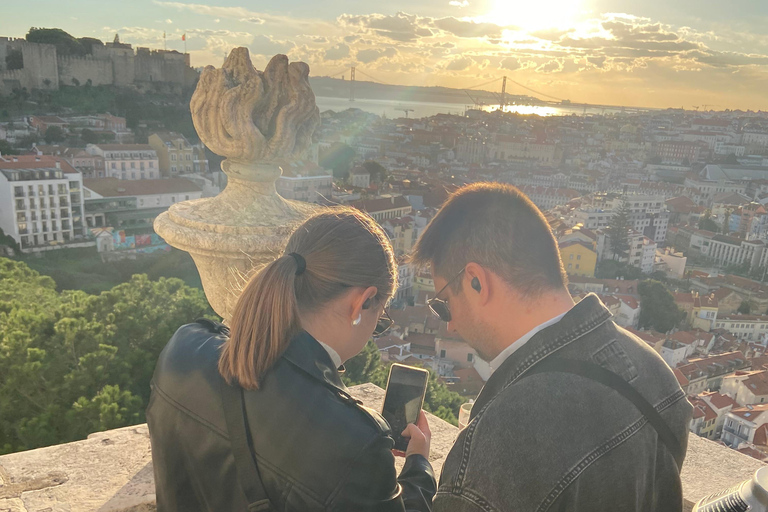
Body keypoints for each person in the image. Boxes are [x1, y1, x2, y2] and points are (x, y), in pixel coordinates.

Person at [410, 183, 692, 512]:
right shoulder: (654, 371)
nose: (450, 325)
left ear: (476, 281)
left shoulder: (501, 440)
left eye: (444, 304)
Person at [147, 208, 436, 512]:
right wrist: (419, 466)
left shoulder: (183, 347)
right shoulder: (355, 443)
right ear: (362, 303)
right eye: (380, 319)